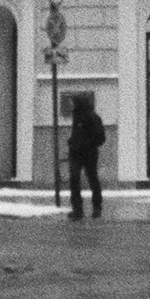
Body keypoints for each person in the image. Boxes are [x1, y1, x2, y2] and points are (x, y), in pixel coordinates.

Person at [67, 90, 106, 221]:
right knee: (75, 179)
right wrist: (72, 142)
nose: (72, 104)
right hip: (76, 153)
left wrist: (86, 145)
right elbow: (77, 134)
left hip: (88, 153)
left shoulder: (92, 117)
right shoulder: (77, 116)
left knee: (92, 179)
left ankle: (96, 207)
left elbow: (101, 137)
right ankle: (78, 210)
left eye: (74, 102)